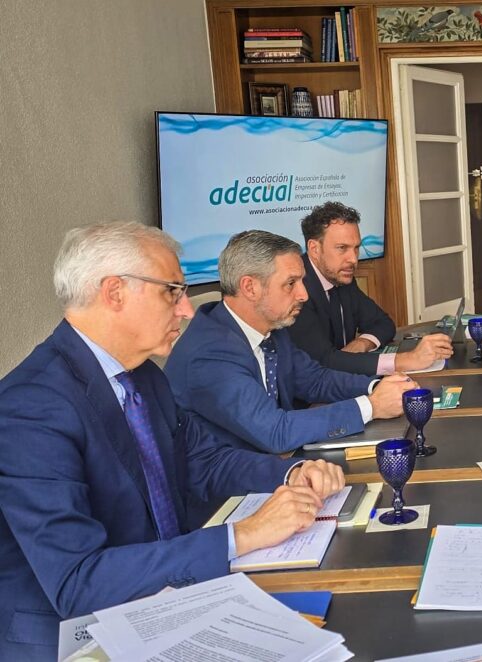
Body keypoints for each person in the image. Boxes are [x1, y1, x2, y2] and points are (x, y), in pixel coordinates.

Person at [0, 222, 347, 660]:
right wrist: (242, 534)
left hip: (166, 601)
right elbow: (78, 582)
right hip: (75, 637)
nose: (186, 310)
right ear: (114, 293)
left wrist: (293, 472)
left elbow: (204, 460)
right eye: (172, 292)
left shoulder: (143, 375)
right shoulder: (31, 406)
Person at [165, 230, 415, 455]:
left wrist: (377, 387)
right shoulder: (210, 353)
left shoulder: (272, 328)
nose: (303, 295)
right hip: (231, 483)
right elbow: (275, 432)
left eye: (302, 281)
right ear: (250, 287)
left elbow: (316, 380)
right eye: (291, 283)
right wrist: (371, 406)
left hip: (274, 463)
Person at [289, 202, 453, 375]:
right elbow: (324, 362)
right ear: (314, 249)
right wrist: (408, 359)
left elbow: (383, 323)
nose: (353, 259)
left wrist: (361, 344)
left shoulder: (340, 276)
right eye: (342, 248)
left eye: (356, 248)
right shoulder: (296, 291)